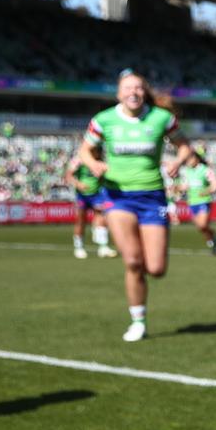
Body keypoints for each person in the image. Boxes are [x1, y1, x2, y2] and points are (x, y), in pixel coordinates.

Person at [78, 69, 191, 342]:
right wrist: (93, 163)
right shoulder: (104, 120)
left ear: (145, 92)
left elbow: (185, 146)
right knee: (132, 261)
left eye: (138, 88)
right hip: (118, 197)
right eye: (128, 88)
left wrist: (177, 161)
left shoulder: (162, 118)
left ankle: (143, 296)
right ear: (119, 93)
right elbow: (84, 150)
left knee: (156, 269)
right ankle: (138, 320)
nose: (133, 92)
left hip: (153, 198)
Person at [64, 153, 117, 259]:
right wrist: (78, 184)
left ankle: (103, 247)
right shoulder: (79, 159)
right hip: (82, 195)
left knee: (101, 217)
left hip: (97, 194)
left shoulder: (101, 158)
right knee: (80, 220)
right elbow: (68, 176)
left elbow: (104, 176)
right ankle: (79, 247)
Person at [178, 147, 216, 255]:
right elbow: (185, 186)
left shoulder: (205, 170)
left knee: (203, 225)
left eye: (190, 158)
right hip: (192, 202)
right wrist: (177, 187)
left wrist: (207, 191)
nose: (188, 161)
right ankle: (213, 241)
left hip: (203, 201)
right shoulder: (187, 171)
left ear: (197, 158)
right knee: (201, 228)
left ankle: (214, 240)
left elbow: (215, 185)